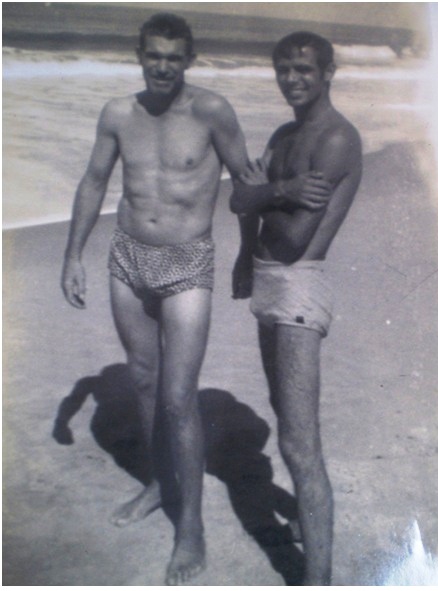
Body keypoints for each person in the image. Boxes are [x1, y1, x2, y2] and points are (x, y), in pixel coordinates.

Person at [61, 13, 249, 585]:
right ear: (139, 55)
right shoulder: (118, 114)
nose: (162, 67)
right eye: (153, 56)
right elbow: (94, 181)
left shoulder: (211, 111)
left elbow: (246, 181)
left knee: (177, 397)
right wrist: (73, 255)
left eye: (173, 57)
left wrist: (251, 253)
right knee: (143, 382)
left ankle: (190, 525)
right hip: (128, 257)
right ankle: (158, 482)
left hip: (187, 262)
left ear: (188, 59)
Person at [230, 31, 362, 585]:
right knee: (285, 418)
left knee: (299, 444)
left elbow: (291, 239)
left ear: (328, 72)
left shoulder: (335, 139)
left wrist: (264, 192)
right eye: (284, 69)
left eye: (304, 69)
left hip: (299, 287)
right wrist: (274, 198)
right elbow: (239, 198)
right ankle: (310, 527)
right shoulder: (284, 136)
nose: (292, 79)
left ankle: (318, 579)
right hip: (267, 282)